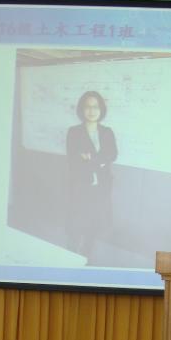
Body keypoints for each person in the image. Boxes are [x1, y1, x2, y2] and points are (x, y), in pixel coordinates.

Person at [66, 90, 118, 257]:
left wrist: (91, 158)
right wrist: (100, 161)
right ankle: (70, 253)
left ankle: (86, 252)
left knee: (94, 222)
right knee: (76, 222)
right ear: (81, 109)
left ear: (101, 109)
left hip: (101, 186)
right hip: (80, 186)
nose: (91, 110)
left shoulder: (107, 132)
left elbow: (112, 155)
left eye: (95, 106)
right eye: (87, 106)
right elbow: (73, 159)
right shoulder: (74, 132)